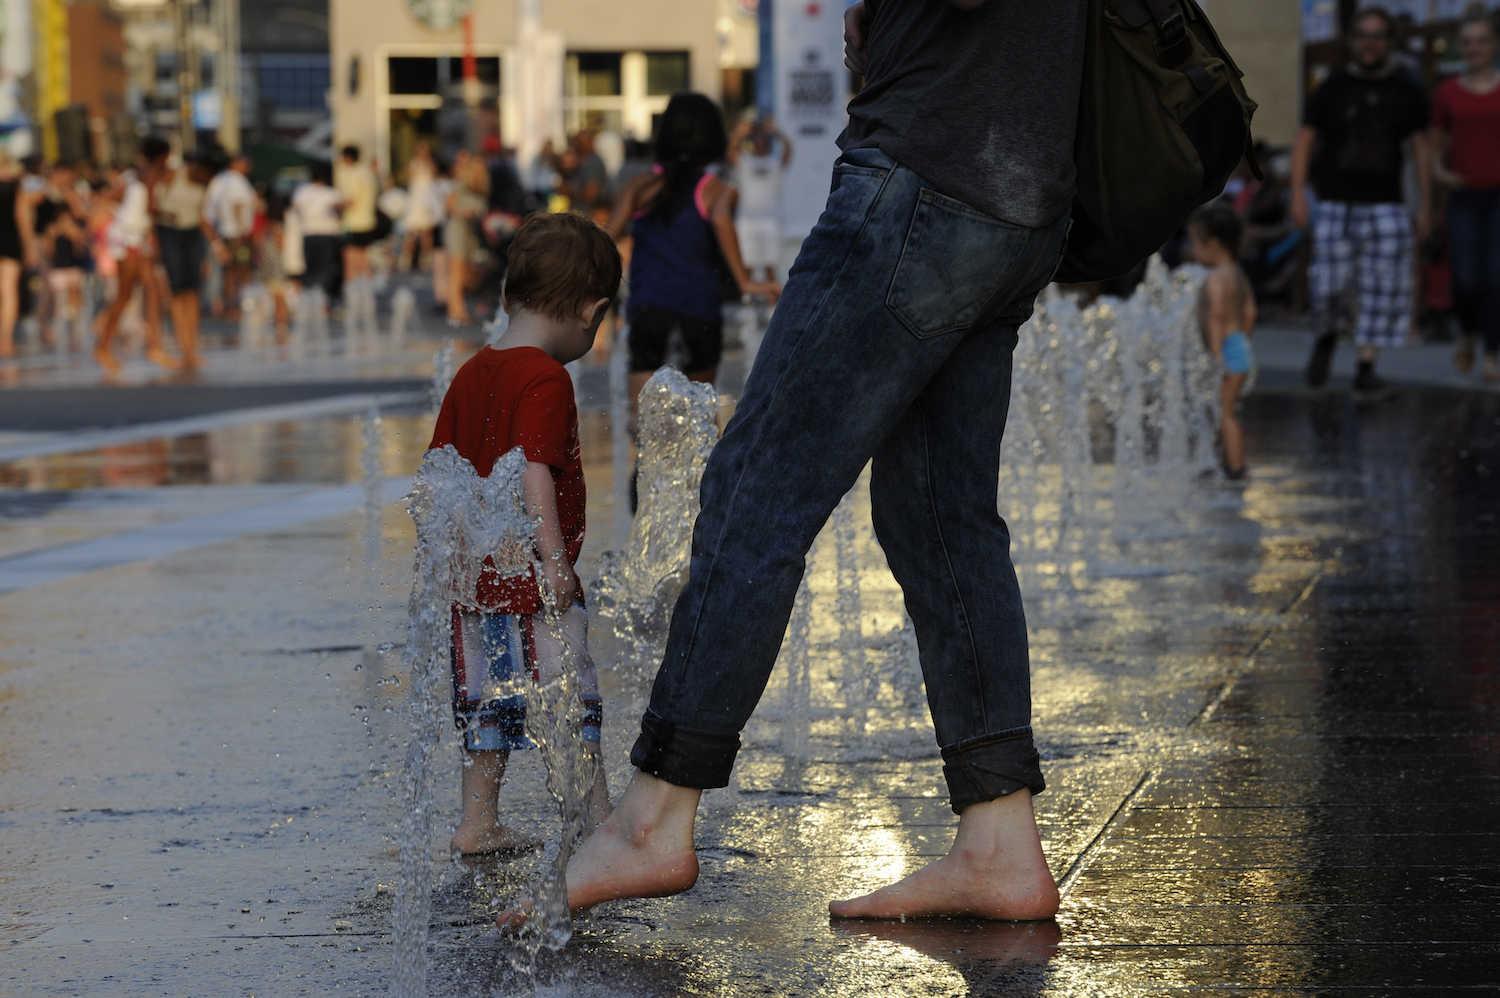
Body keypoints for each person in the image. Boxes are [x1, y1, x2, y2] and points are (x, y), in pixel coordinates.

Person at [502, 0, 1088, 927]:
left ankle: (655, 817)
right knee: (941, 516)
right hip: (1021, 192)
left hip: (924, 177)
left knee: (757, 488)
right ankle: (1000, 840)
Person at [428, 212, 621, 853]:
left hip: (472, 580)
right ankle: (596, 825)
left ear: (508, 296)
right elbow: (535, 473)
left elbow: (440, 476)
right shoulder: (546, 377)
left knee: (486, 699)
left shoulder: (472, 371)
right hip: (531, 579)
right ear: (592, 313)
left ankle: (476, 820)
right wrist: (556, 563)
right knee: (569, 692)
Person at [606, 93, 780, 412]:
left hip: (648, 311)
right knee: (698, 415)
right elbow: (721, 223)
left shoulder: (639, 187)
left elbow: (604, 238)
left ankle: (641, 463)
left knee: (642, 417)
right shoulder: (718, 191)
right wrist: (745, 282)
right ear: (713, 138)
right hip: (699, 313)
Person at [1291, 6, 1433, 394]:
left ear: (1388, 41)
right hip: (1336, 200)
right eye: (1363, 35)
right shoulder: (1332, 85)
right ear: (1352, 41)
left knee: (1381, 286)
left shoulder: (1406, 87)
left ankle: (1365, 366)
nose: (1369, 43)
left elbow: (1422, 148)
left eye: (1377, 36)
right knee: (1328, 284)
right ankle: (1326, 335)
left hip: (1387, 202)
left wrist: (1425, 206)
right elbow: (1305, 139)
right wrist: (1297, 194)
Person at [1431, 12, 1500, 383]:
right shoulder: (1448, 92)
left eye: (1482, 40)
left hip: (1499, 196)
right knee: (1467, 278)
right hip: (1464, 197)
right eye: (1468, 41)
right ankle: (1469, 333)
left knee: (1496, 276)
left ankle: (1491, 353)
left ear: (1494, 45)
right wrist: (1440, 174)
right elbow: (1436, 145)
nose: (1474, 47)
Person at [95, 137, 177, 376]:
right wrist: (168, 216)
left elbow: (113, 197)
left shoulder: (132, 174)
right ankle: (103, 346)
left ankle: (155, 346)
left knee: (150, 289)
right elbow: (151, 208)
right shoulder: (151, 174)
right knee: (126, 294)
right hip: (131, 238)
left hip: (127, 234)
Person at [1190, 205, 1257, 480]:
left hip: (1227, 351)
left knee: (1225, 412)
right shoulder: (1237, 274)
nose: (1192, 250)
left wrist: (1216, 353)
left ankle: (1236, 467)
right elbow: (1251, 312)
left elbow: (1217, 314)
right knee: (1221, 410)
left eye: (1194, 243)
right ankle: (1222, 461)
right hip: (1239, 346)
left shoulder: (1216, 278)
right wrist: (1244, 341)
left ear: (1212, 244)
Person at [150, 150, 215, 372]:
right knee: (178, 290)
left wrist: (214, 245)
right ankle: (183, 347)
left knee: (193, 290)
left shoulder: (204, 184)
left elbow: (201, 215)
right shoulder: (173, 175)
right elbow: (152, 205)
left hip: (192, 233)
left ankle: (192, 349)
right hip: (170, 232)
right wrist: (165, 220)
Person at [729, 115, 793, 284]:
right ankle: (746, 301)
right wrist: (740, 132)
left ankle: (774, 305)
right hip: (746, 221)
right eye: (755, 139)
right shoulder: (745, 161)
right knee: (747, 267)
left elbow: (788, 148)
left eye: (762, 139)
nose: (759, 142)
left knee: (769, 267)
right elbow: (730, 152)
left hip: (770, 219)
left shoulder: (774, 162)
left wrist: (776, 131)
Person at [34, 161, 90, 351]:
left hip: (69, 252)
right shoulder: (43, 194)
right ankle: (46, 324)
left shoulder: (72, 195)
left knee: (74, 290)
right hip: (48, 244)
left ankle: (72, 325)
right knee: (48, 287)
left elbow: (81, 218)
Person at [204, 153, 257, 321]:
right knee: (239, 272)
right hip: (236, 233)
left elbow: (212, 207)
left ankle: (229, 305)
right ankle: (235, 306)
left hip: (224, 231)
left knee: (229, 272)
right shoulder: (237, 181)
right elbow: (238, 206)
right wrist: (242, 230)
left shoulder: (220, 179)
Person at [444, 149, 489, 326]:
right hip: (458, 228)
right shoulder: (462, 183)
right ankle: (455, 312)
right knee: (456, 272)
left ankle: (459, 309)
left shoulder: (482, 187)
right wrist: (464, 213)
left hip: (471, 231)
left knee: (466, 273)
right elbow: (448, 205)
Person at [291, 160, 344, 301]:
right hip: (328, 234)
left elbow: (296, 211)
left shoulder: (301, 192)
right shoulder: (332, 193)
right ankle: (324, 300)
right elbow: (340, 215)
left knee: (310, 267)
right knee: (326, 268)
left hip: (309, 233)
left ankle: (310, 298)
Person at [337, 145, 379, 284]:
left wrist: (334, 206)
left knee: (350, 260)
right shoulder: (367, 172)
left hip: (354, 223)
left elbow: (351, 199)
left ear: (347, 158)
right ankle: (369, 291)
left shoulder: (353, 174)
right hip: (368, 221)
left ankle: (352, 294)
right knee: (363, 260)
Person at [0, 154, 26, 360]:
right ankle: (6, 338)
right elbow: (22, 217)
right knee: (9, 291)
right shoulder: (14, 186)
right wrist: (29, 245)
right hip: (9, 239)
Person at [400, 140, 437, 272]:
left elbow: (434, 177)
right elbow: (407, 176)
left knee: (427, 232)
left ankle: (425, 259)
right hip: (415, 201)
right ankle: (406, 260)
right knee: (410, 232)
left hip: (427, 201)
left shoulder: (431, 164)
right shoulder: (413, 163)